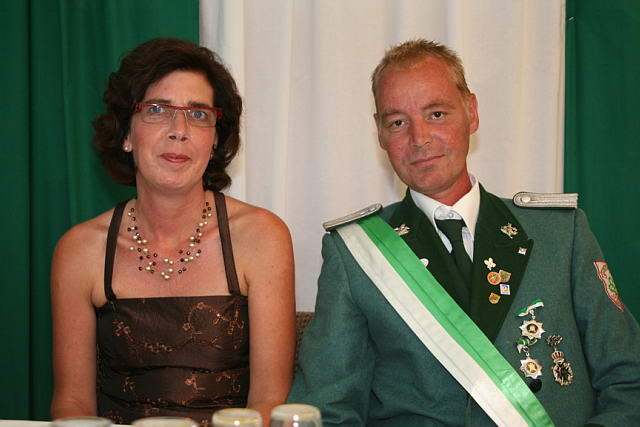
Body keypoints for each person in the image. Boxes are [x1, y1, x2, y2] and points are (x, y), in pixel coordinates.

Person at [288, 39, 640, 426]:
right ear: (380, 133)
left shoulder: (560, 233)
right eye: (398, 122)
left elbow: (629, 380)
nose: (419, 137)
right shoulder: (357, 253)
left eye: (436, 114)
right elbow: (326, 409)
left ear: (471, 113)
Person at [50, 38, 295, 426]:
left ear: (215, 140)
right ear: (126, 134)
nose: (179, 130)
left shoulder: (262, 237)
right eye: (157, 110)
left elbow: (269, 401)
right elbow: (73, 404)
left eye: (198, 114)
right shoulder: (80, 249)